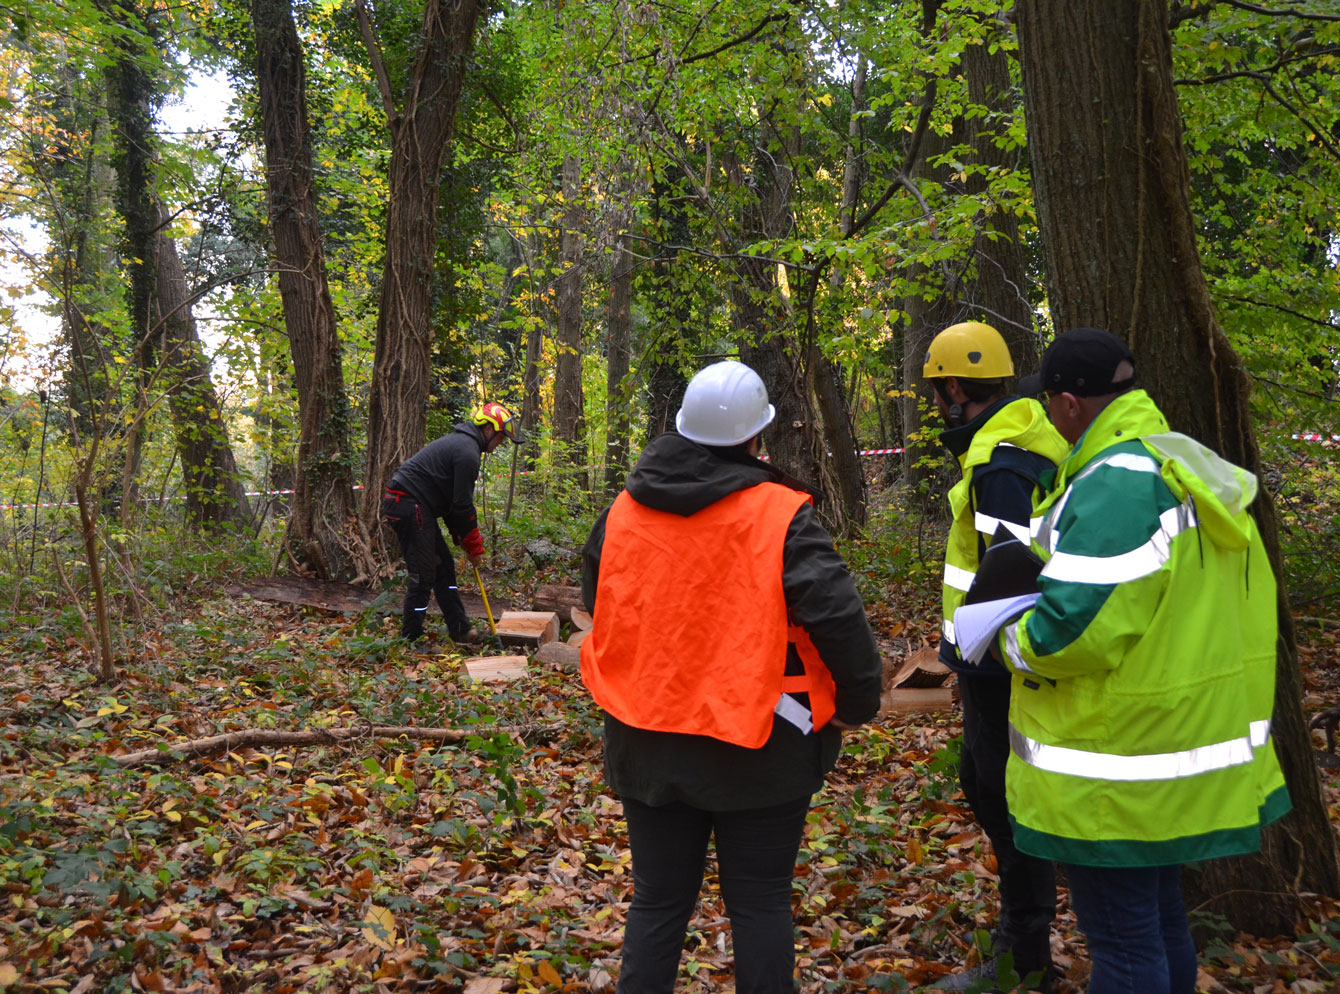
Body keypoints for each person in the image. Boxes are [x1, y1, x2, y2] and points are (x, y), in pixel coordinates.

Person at [996, 328, 1289, 994]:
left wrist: (1007, 641)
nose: (1045, 415)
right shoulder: (1172, 458)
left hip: (1116, 766)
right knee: (1157, 929)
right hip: (1164, 747)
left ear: (1070, 403)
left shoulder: (1119, 482)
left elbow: (1077, 629)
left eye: (1047, 402)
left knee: (1125, 948)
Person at [579, 360, 883, 994]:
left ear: (681, 427)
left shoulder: (624, 510)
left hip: (647, 738)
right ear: (757, 437)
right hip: (760, 744)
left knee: (657, 903)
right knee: (760, 904)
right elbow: (837, 617)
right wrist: (857, 703)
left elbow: (597, 594)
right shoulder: (780, 515)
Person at [918, 322, 1068, 992]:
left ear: (954, 388)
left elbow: (1009, 576)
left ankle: (1024, 953)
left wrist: (979, 651)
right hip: (987, 661)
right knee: (984, 785)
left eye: (936, 389)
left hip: (1002, 664)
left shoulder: (1003, 462)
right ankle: (1023, 938)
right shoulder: (1004, 444)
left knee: (1004, 795)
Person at [382, 402, 517, 644]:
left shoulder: (464, 445)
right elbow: (463, 505)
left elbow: (451, 501)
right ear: (487, 429)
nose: (500, 445)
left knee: (443, 567)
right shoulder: (467, 453)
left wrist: (460, 534)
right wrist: (474, 545)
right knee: (424, 574)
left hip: (418, 505)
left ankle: (460, 629)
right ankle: (410, 638)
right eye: (500, 438)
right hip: (408, 503)